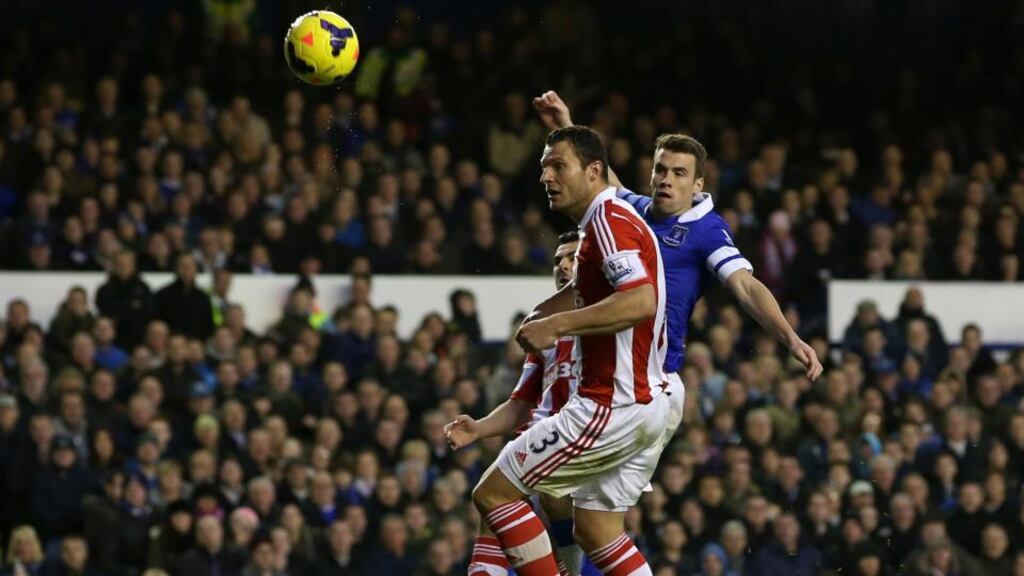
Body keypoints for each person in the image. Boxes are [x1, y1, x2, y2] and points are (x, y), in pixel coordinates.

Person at [466, 126, 675, 576]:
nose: (545, 176)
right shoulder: (607, 222)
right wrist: (545, 313)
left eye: (558, 165)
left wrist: (556, 326)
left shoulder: (606, 221)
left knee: (493, 495)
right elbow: (595, 289)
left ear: (594, 171)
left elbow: (640, 301)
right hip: (644, 402)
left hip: (608, 404)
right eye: (543, 166)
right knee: (596, 530)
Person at [531, 91, 822, 385]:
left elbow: (746, 286)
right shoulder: (638, 210)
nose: (667, 179)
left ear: (698, 185)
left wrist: (791, 339)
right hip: (617, 369)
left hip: (653, 375)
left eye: (679, 173)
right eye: (661, 170)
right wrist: (564, 125)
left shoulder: (706, 229)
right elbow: (600, 181)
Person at [446, 231, 589, 575]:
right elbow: (523, 401)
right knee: (491, 503)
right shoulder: (543, 329)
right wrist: (479, 428)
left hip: (587, 436)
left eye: (573, 258)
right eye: (557, 260)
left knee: (575, 520)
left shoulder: (610, 320)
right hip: (544, 434)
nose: (563, 266)